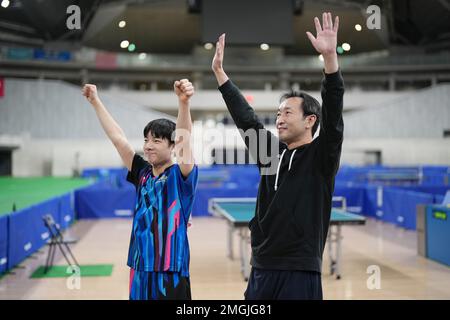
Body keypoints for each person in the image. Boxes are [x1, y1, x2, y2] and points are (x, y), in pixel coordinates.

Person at [211, 12, 344, 300]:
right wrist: (221, 75)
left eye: (287, 112)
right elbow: (247, 120)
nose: (279, 119)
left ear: (310, 120)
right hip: (261, 267)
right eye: (278, 113)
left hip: (300, 269)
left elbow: (333, 114)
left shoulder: (322, 156)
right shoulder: (270, 153)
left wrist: (330, 61)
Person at [82, 79, 198, 300]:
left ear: (172, 146)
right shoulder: (142, 173)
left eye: (156, 140)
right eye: (146, 140)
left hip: (170, 271)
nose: (148, 146)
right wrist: (96, 101)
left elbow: (185, 141)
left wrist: (183, 103)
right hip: (139, 266)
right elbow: (119, 140)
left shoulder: (180, 177)